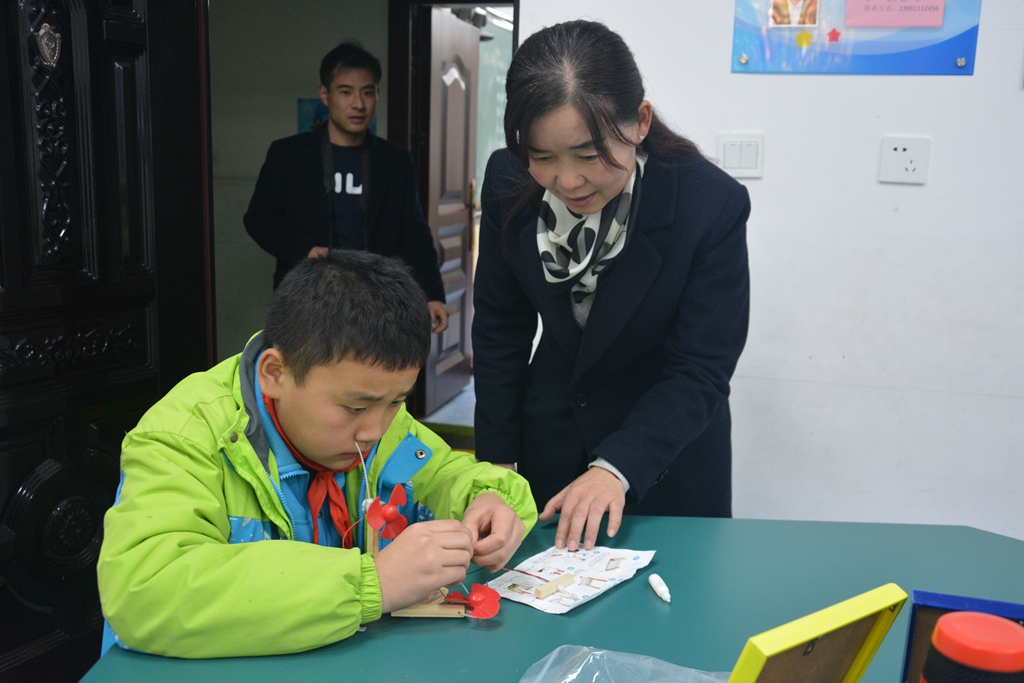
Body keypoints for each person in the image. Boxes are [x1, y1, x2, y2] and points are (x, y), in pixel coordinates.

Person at [97, 250, 536, 658]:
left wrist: (492, 499)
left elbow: (444, 474)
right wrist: (373, 584)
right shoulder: (184, 434)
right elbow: (144, 590)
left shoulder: (376, 415)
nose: (375, 430)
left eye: (398, 402)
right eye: (355, 408)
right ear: (274, 374)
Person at [473, 21, 750, 554]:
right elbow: (499, 332)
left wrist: (616, 467)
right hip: (550, 444)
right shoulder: (509, 180)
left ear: (640, 121)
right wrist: (496, 467)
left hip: (664, 460)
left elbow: (701, 369)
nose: (567, 181)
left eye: (587, 154)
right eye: (543, 156)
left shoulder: (707, 205)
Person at [245, 42, 449, 333]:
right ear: (324, 95)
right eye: (345, 92)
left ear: (377, 94)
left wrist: (432, 294)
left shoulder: (395, 161)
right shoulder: (288, 155)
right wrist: (307, 251)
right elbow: (259, 219)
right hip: (307, 297)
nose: (358, 104)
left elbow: (414, 233)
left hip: (377, 301)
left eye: (367, 92)